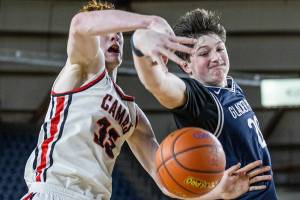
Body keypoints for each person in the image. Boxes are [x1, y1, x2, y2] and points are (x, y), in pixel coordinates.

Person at [21, 1, 272, 199]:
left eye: (119, 33)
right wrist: (150, 21)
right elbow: (80, 23)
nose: (116, 37)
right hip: (54, 190)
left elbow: (163, 178)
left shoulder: (132, 114)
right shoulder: (81, 71)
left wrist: (217, 192)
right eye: (107, 32)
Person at [131, 8, 277, 200]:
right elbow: (157, 83)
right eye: (203, 53)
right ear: (186, 66)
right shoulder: (200, 100)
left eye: (219, 49)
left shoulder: (231, 87)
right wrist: (140, 41)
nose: (215, 57)